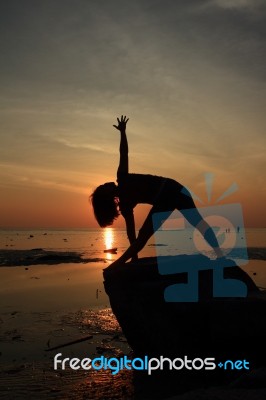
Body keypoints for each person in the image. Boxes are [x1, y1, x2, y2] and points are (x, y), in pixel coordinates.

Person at [90, 115, 223, 267]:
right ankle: (120, 264)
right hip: (165, 198)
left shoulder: (122, 179)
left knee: (198, 223)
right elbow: (131, 234)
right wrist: (134, 259)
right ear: (107, 197)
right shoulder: (124, 200)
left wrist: (122, 132)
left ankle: (220, 255)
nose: (106, 183)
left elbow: (124, 152)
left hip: (174, 190)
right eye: (104, 187)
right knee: (143, 236)